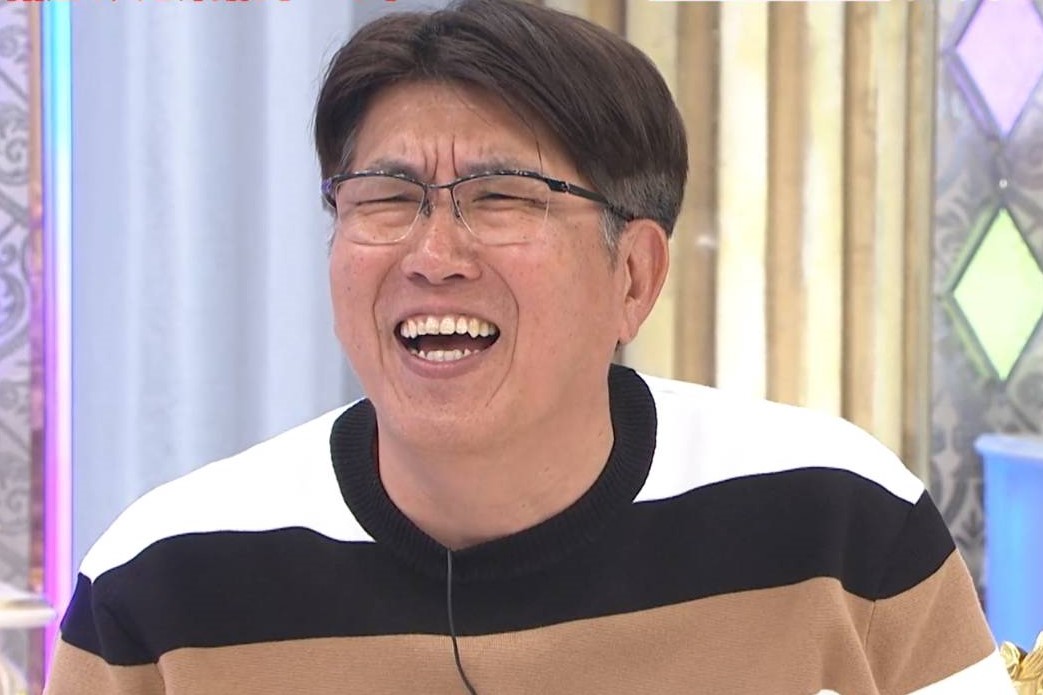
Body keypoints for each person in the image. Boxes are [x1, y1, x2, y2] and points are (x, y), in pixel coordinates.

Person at [45, 1, 1014, 693]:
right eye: (385, 198)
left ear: (633, 274)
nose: (433, 255)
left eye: (500, 198)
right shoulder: (163, 579)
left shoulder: (836, 520)